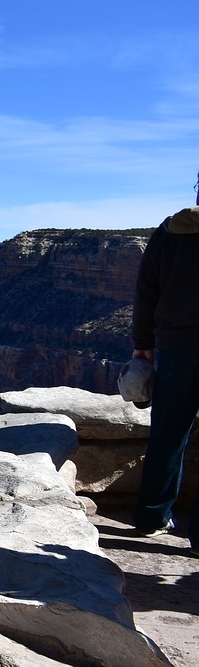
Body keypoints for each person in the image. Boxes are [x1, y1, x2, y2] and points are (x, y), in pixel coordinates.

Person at [133, 175, 199, 548]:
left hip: (176, 347)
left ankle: (151, 516)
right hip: (177, 346)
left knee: (168, 435)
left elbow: (146, 288)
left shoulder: (171, 230)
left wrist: (143, 343)